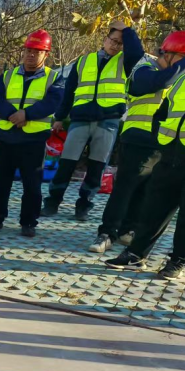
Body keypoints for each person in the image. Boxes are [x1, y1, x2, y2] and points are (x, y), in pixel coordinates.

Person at [105, 29, 185, 279]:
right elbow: (162, 113)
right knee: (153, 208)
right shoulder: (184, 79)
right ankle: (136, 254)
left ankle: (178, 261)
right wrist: (163, 141)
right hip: (170, 156)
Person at [88, 31, 185, 253]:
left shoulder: (181, 78)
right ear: (167, 54)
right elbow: (158, 82)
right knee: (125, 187)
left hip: (163, 142)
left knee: (147, 190)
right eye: (183, 58)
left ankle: (128, 230)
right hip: (137, 137)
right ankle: (107, 232)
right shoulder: (144, 68)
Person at [42, 19, 145, 220]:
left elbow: (137, 51)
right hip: (80, 119)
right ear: (105, 39)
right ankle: (52, 202)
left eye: (120, 43)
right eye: (113, 40)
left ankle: (84, 205)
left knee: (97, 167)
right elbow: (69, 91)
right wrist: (60, 117)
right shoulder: (83, 61)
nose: (115, 46)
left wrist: (127, 30)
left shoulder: (126, 61)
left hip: (108, 121)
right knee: (66, 163)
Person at [0, 30, 64, 237]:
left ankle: (28, 223)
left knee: (32, 185)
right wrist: (12, 115)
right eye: (28, 50)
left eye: (37, 51)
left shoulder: (54, 78)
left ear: (46, 54)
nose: (31, 55)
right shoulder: (8, 75)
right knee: (0, 184)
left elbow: (53, 102)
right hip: (6, 138)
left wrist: (26, 114)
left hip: (33, 141)